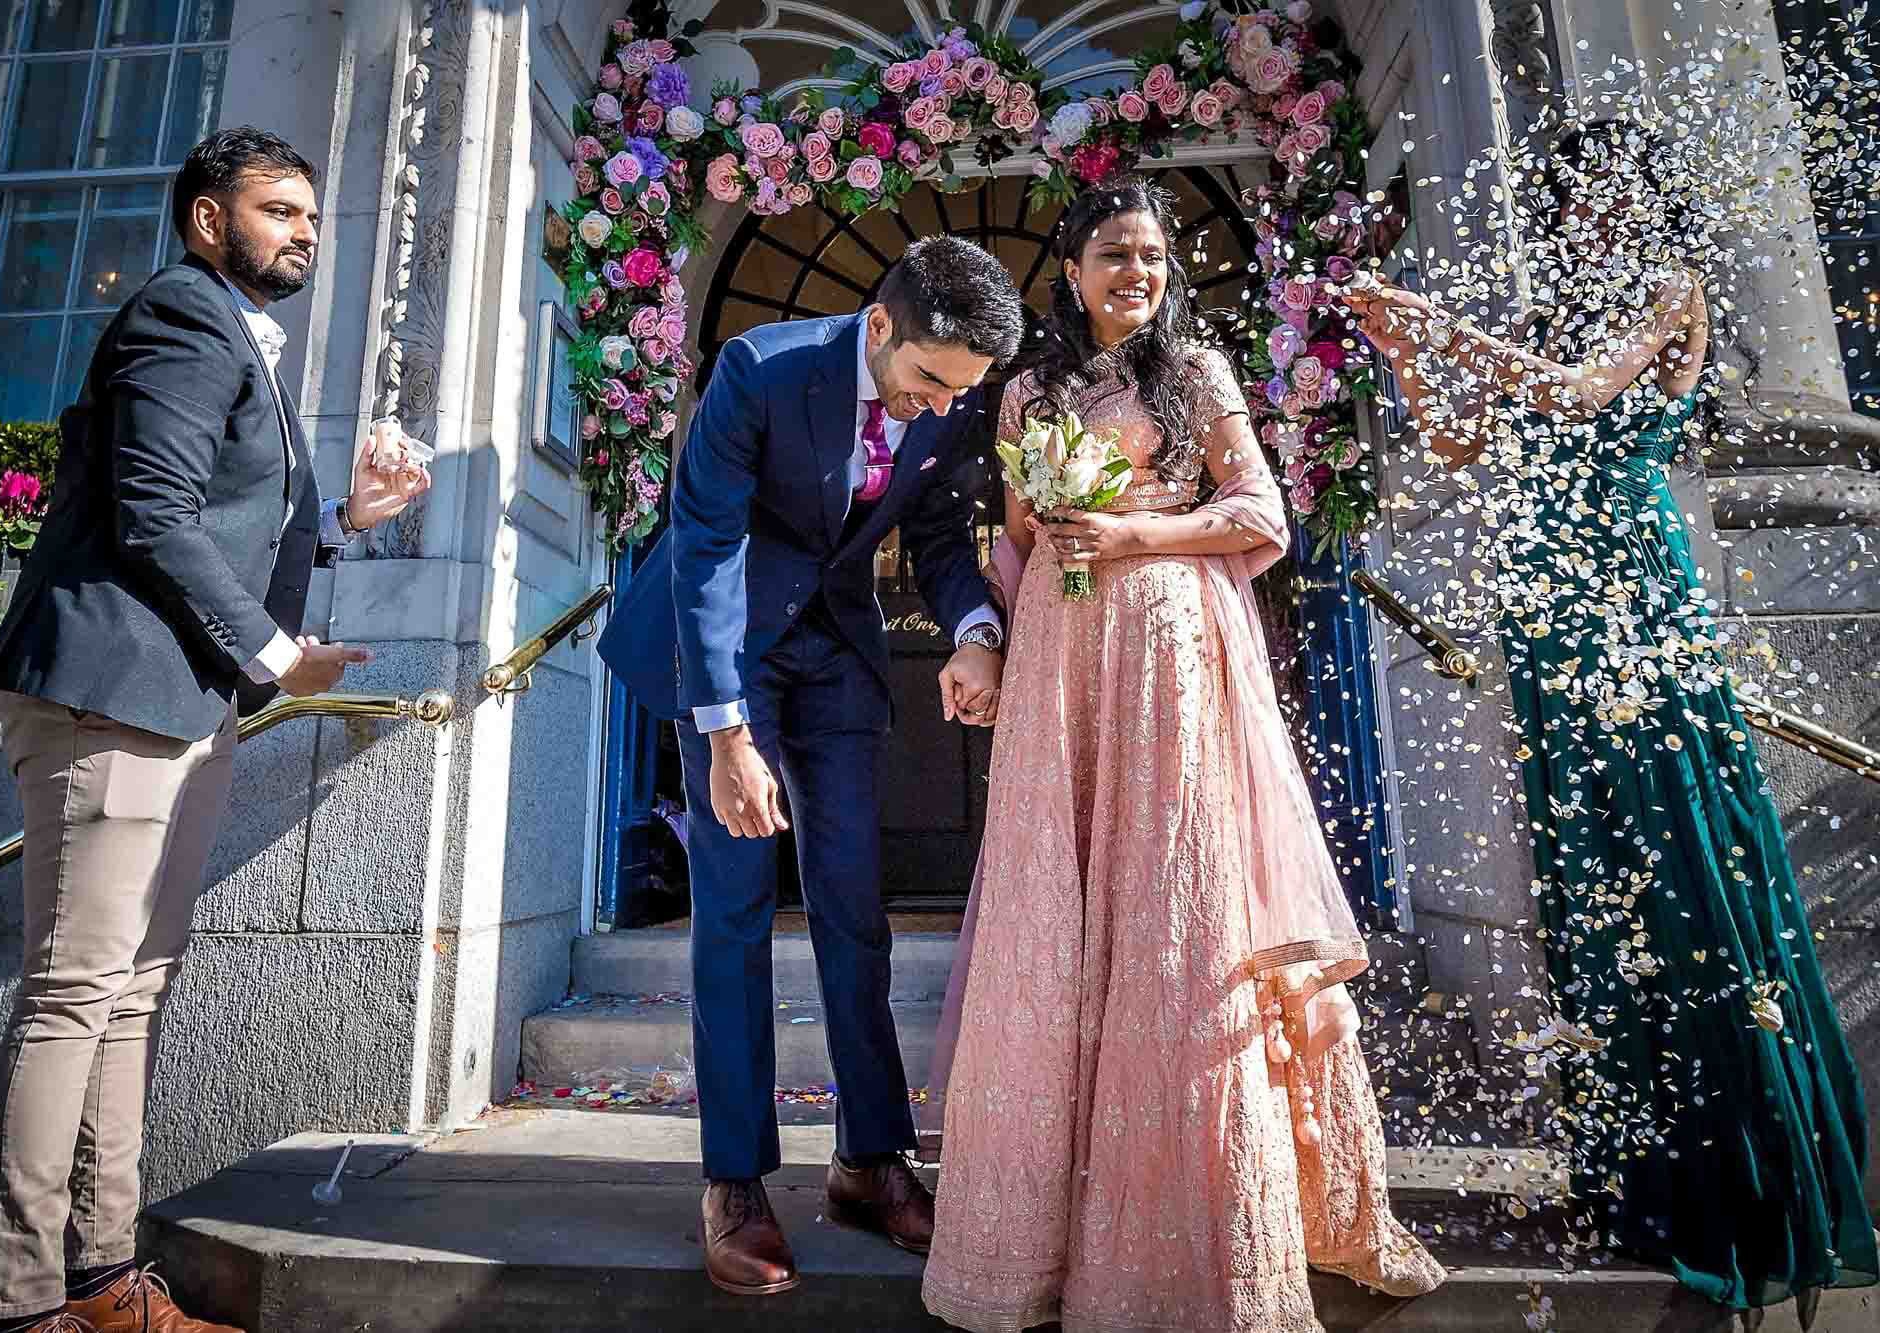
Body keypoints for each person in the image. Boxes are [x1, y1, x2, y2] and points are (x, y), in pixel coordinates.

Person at [1343, 118, 1876, 1314]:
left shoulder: (1666, 294)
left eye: (1610, 194)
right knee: (1596, 883)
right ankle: (1635, 1172)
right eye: (1573, 197)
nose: (1590, 214)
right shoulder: (1536, 319)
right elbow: (1460, 439)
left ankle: (1740, 1187)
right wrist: (1401, 350)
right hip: (1549, 620)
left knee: (1683, 867)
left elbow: (1582, 394)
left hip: (1635, 603)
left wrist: (1434, 321)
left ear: (1645, 204)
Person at [922, 176, 1443, 1333]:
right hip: (1062, 650)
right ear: (1068, 268)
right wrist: (994, 641)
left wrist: (1134, 532)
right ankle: (1034, 1244)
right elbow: (1011, 541)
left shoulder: (1193, 375)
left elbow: (1261, 515)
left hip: (1165, 644)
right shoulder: (1028, 394)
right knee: (1061, 903)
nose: (1137, 274)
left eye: (1153, 256)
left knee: (1170, 901)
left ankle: (1191, 1236)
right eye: (1114, 253)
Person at [0, 127, 431, 1333]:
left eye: (313, 215)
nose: (304, 232)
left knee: (135, 989)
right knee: (77, 992)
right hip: (109, 691)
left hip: (180, 698)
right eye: (277, 209)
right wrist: (282, 654)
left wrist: (344, 517)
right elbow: (153, 514)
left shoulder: (231, 334)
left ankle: (105, 1279)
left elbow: (219, 519)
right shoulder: (181, 316)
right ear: (207, 220)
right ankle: (25, 1307)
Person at [596, 235, 1024, 1296]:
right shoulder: (760, 369)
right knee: (735, 908)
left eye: (957, 392)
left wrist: (974, 627)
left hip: (837, 655)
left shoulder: (948, 399)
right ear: (878, 327)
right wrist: (725, 735)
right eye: (927, 381)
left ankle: (868, 1161)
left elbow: (933, 534)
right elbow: (701, 544)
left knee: (853, 909)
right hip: (728, 650)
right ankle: (733, 1180)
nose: (937, 408)